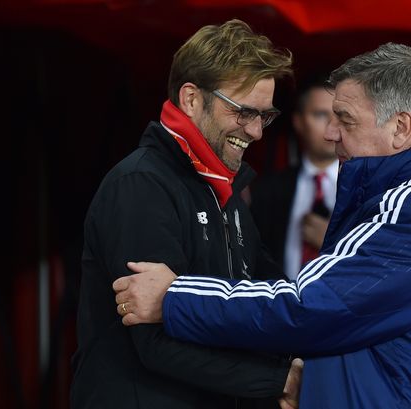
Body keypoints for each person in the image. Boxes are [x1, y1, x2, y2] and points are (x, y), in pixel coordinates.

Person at [113, 43, 411, 408]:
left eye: (345, 119)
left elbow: (308, 306)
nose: (329, 133)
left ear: (401, 128)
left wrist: (173, 297)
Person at [71, 19, 303, 409]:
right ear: (192, 99)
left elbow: (267, 298)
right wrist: (279, 380)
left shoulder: (223, 191)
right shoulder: (141, 184)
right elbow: (155, 342)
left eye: (265, 115)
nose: (257, 131)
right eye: (244, 112)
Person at [250, 75, 338, 279]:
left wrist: (333, 241)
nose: (332, 125)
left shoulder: (366, 188)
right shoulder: (267, 189)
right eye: (320, 115)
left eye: (339, 115)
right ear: (298, 122)